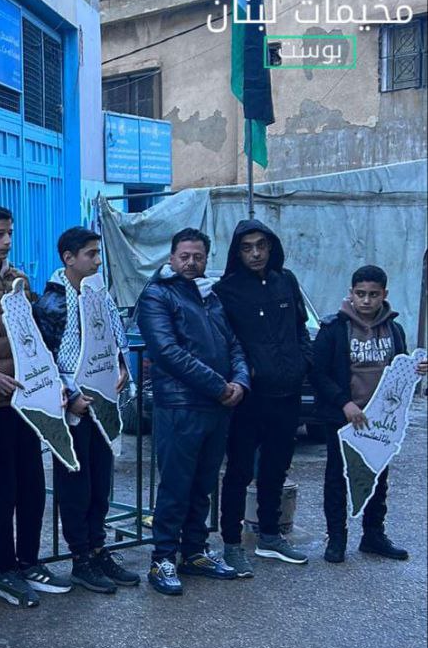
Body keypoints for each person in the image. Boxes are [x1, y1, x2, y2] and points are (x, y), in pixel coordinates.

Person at [0, 204, 69, 606]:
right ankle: (3, 567)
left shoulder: (17, 278)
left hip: (27, 398)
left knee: (33, 485)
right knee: (3, 488)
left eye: (10, 233)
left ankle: (30, 561)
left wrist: (50, 381)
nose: (6, 241)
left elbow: (32, 337)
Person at [136, 228, 250, 595]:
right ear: (171, 258)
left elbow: (234, 345)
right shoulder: (157, 295)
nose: (190, 263)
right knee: (175, 486)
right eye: (184, 256)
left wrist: (240, 382)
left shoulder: (210, 296)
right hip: (180, 406)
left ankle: (195, 552)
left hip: (217, 408)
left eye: (197, 257)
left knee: (203, 485)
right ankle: (162, 559)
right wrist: (220, 386)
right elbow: (168, 352)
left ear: (206, 259)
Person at [34, 229, 140, 594]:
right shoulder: (52, 303)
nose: (97, 261)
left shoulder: (99, 293)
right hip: (74, 410)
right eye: (90, 254)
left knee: (101, 481)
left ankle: (98, 548)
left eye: (98, 254)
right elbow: (45, 360)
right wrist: (70, 394)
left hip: (103, 404)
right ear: (69, 258)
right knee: (76, 486)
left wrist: (122, 367)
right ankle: (80, 557)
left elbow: (114, 338)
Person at [312, 264, 426, 564]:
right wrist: (344, 404)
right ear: (351, 293)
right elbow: (318, 373)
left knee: (378, 477)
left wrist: (417, 369)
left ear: (384, 294)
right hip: (343, 418)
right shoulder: (335, 328)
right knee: (338, 477)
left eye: (373, 294)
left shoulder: (394, 329)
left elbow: (399, 371)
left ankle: (373, 535)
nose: (366, 300)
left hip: (380, 421)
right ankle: (336, 539)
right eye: (360, 293)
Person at [216, 220, 312, 574]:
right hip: (250, 398)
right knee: (239, 471)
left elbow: (301, 327)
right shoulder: (227, 290)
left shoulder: (286, 281)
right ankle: (231, 543)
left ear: (271, 247)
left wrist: (303, 363)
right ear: (237, 252)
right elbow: (226, 342)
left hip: (288, 393)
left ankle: (270, 536)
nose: (255, 253)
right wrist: (248, 373)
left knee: (275, 468)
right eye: (247, 247)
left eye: (261, 245)